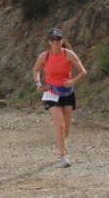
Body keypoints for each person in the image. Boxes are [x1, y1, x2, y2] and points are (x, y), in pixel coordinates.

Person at [32, 28, 88, 167]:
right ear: (49, 42)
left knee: (66, 128)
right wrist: (38, 83)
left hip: (67, 92)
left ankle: (61, 143)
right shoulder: (44, 56)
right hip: (51, 92)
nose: (56, 42)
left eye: (58, 39)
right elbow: (36, 70)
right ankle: (63, 156)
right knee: (59, 124)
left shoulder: (69, 54)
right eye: (53, 39)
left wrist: (72, 81)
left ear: (62, 41)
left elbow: (83, 72)